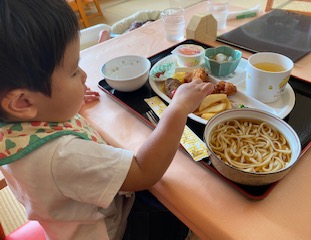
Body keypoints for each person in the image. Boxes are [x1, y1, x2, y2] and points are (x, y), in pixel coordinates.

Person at [0, 0, 214, 239]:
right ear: (23, 102)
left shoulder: (14, 125)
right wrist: (178, 108)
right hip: (114, 231)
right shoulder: (61, 156)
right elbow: (145, 172)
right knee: (193, 212)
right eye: (73, 71)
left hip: (72, 214)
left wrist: (63, 107)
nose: (83, 76)